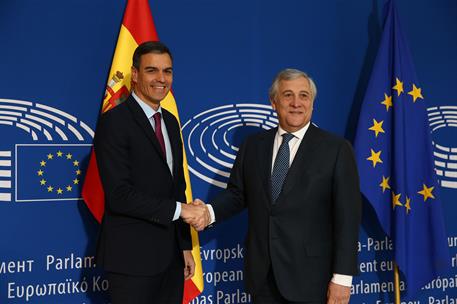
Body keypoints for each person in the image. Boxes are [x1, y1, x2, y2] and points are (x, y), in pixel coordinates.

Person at [188, 69, 362, 303]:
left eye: (304, 96)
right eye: (288, 95)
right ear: (274, 102)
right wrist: (208, 213)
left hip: (312, 280)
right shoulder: (253, 146)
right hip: (263, 277)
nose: (296, 103)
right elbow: (238, 195)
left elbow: (347, 218)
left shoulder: (336, 150)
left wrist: (342, 279)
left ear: (312, 103)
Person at [94, 41, 207, 304]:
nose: (161, 79)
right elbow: (119, 195)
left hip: (171, 259)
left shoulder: (169, 121)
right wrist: (182, 211)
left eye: (167, 71)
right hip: (132, 260)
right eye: (152, 70)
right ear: (135, 74)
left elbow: (176, 187)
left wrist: (184, 246)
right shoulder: (114, 123)